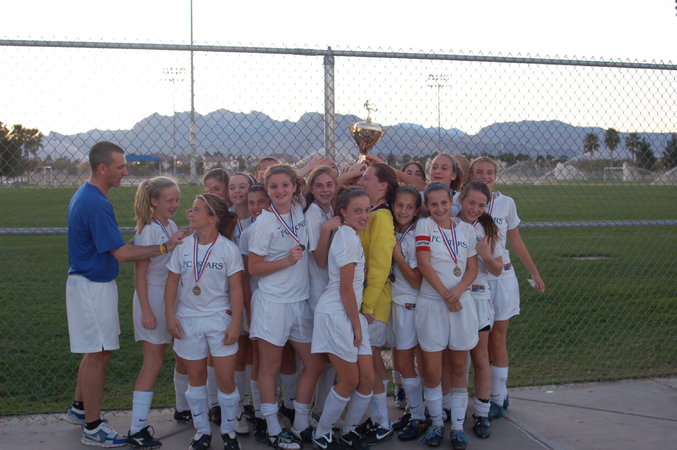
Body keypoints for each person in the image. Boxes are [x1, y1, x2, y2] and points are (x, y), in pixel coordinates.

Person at [65, 141, 184, 448]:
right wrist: (163, 247)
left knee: (96, 350)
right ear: (101, 168)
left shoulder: (89, 196)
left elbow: (117, 248)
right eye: (120, 167)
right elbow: (121, 254)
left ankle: (79, 409)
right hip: (92, 285)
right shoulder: (96, 203)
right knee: (98, 353)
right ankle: (93, 427)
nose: (125, 172)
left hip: (91, 284)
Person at [248, 164, 326, 450]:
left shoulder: (298, 208)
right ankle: (272, 428)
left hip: (299, 302)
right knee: (269, 367)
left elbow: (317, 183)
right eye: (273, 186)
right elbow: (253, 267)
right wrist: (286, 261)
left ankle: (301, 422)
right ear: (267, 190)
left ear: (294, 187)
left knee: (315, 362)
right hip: (273, 303)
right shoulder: (264, 223)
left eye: (285, 185)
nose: (280, 190)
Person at [164, 193, 244, 450]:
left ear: (213, 218)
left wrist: (235, 323)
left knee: (225, 379)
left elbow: (236, 289)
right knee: (196, 377)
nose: (190, 213)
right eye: (192, 208)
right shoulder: (183, 246)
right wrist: (170, 316)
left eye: (197, 210)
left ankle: (229, 432)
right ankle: (202, 432)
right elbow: (172, 283)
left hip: (219, 319)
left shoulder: (228, 249)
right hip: (188, 319)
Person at [468, 157, 545, 420]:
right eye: (479, 172)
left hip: (502, 276)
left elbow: (516, 241)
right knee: (479, 338)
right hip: (476, 277)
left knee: (498, 337)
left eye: (490, 172)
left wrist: (534, 272)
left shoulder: (506, 203)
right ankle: (486, 392)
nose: (485, 176)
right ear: (470, 175)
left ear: (496, 176)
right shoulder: (462, 201)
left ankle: (498, 396)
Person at [414, 183, 479, 449]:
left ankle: (458, 427)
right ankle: (437, 423)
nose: (440, 208)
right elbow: (423, 264)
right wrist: (445, 294)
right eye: (434, 204)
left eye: (444, 203)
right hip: (433, 303)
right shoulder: (425, 226)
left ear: (452, 202)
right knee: (432, 371)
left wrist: (458, 291)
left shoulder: (466, 230)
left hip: (460, 303)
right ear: (427, 206)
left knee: (458, 367)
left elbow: (472, 268)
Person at [310, 188, 374, 450]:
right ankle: (322, 433)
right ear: (343, 213)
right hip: (337, 315)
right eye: (357, 210)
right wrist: (357, 326)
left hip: (351, 314)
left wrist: (358, 321)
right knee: (349, 380)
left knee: (367, 380)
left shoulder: (352, 235)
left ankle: (348, 431)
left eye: (367, 210)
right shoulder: (346, 237)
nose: (364, 215)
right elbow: (345, 289)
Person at [127, 176, 183, 449]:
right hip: (151, 297)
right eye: (169, 200)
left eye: (177, 200)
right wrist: (147, 311)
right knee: (153, 361)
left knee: (181, 353)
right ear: (154, 201)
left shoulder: (170, 225)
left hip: (169, 297)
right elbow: (140, 276)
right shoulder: (149, 230)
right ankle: (137, 427)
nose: (175, 205)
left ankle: (185, 408)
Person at [457, 181, 504, 440]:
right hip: (456, 297)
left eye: (481, 204)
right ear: (461, 200)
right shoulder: (450, 223)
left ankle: (482, 412)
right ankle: (454, 409)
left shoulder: (487, 228)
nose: (474, 208)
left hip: (478, 297)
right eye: (471, 202)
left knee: (480, 357)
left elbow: (497, 269)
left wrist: (485, 255)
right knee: (456, 358)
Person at [355, 163, 398, 444]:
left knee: (370, 362)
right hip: (366, 300)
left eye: (366, 178)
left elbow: (381, 264)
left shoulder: (381, 217)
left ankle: (382, 421)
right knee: (370, 360)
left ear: (383, 185)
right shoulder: (372, 213)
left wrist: (368, 305)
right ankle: (378, 418)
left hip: (373, 303)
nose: (361, 181)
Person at [387, 186, 427, 442]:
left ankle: (419, 417)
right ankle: (413, 411)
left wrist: (397, 255)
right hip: (395, 301)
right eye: (399, 205)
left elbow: (415, 280)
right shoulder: (393, 229)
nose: (403, 210)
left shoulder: (414, 236)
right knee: (401, 363)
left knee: (404, 364)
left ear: (416, 210)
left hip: (409, 305)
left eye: (409, 207)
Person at [303, 166, 342, 421]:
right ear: (312, 189)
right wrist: (327, 230)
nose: (325, 189)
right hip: (319, 294)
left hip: (331, 291)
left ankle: (322, 409)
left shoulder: (329, 209)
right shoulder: (314, 214)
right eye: (319, 185)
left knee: (330, 356)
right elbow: (318, 259)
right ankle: (314, 411)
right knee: (322, 357)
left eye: (329, 184)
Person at [239, 184, 272, 442]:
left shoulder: (280, 224)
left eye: (261, 201)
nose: (256, 207)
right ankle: (260, 414)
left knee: (279, 358)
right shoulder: (247, 233)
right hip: (258, 301)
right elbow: (243, 277)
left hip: (281, 300)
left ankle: (285, 406)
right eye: (251, 203)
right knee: (259, 357)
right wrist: (249, 309)